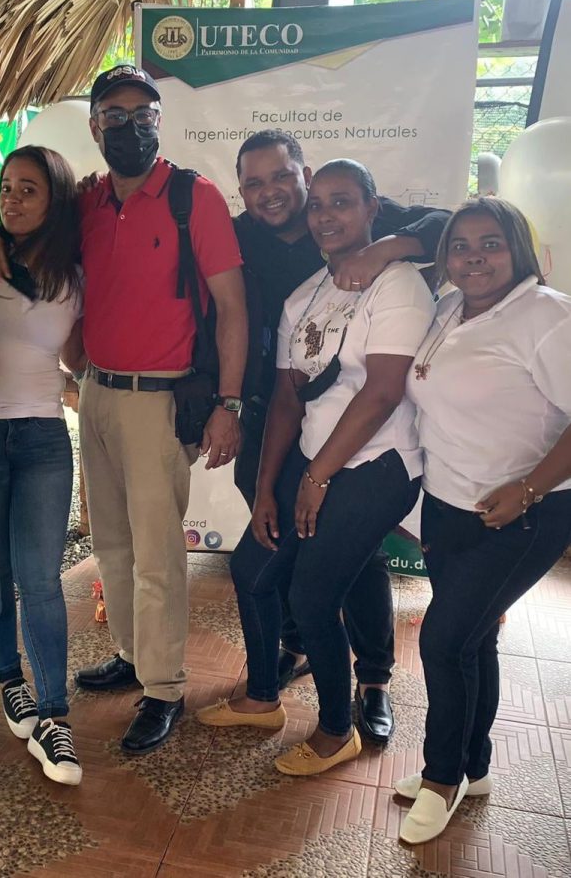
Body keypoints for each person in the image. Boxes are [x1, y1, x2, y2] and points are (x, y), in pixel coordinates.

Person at [197, 159, 435, 776]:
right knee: (252, 567)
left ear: (372, 208)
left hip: (377, 464)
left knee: (312, 593)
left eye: (343, 202)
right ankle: (262, 698)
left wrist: (316, 476)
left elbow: (382, 392)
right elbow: (286, 398)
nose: (327, 215)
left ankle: (336, 730)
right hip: (310, 455)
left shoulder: (398, 283)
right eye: (320, 205)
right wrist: (266, 487)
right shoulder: (305, 294)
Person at [73, 64, 248, 755]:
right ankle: (131, 654)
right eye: (116, 116)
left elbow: (232, 308)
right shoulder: (88, 201)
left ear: (159, 123)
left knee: (156, 555)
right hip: (96, 393)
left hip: (160, 401)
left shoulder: (192, 198)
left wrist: (228, 402)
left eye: (144, 116)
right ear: (96, 127)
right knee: (111, 543)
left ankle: (165, 686)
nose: (132, 127)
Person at [395, 197, 571, 844]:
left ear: (517, 248)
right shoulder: (448, 307)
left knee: (443, 642)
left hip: (522, 516)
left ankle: (441, 778)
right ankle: (474, 766)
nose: (474, 257)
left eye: (490, 243)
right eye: (460, 245)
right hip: (448, 507)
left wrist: (527, 488)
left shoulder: (547, 316)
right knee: (474, 641)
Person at [0, 146, 84, 785]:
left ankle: (55, 716)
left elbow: (78, 356)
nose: (12, 199)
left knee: (40, 579)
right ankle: (12, 683)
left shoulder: (72, 273)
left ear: (55, 198)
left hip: (43, 439)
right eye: (6, 187)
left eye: (29, 189)